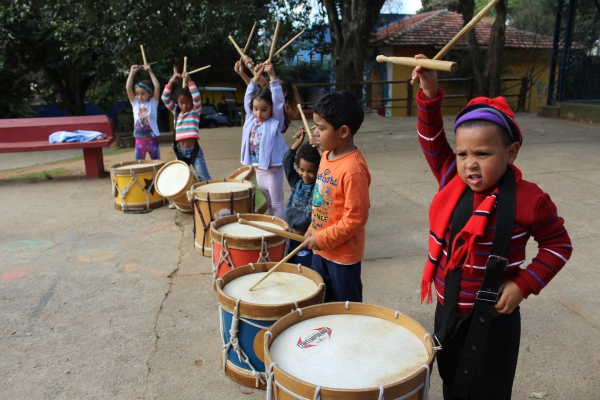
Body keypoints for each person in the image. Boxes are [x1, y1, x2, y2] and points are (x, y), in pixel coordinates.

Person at [412, 55, 572, 400]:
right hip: (449, 314)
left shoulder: (531, 201)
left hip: (495, 322)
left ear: (511, 152)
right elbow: (431, 139)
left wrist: (523, 284)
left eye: (482, 154)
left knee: (489, 392)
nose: (470, 164)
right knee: (453, 384)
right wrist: (429, 92)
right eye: (462, 153)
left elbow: (559, 246)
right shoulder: (450, 181)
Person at [302, 91, 371, 303]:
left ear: (343, 132)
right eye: (315, 126)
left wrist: (322, 238)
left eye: (321, 128)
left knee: (346, 310)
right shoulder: (326, 156)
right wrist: (313, 229)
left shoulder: (353, 169)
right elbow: (322, 201)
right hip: (320, 250)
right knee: (323, 303)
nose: (315, 132)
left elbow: (356, 218)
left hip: (342, 257)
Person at [240, 61, 288, 219]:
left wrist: (272, 76)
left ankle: (282, 235)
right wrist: (255, 78)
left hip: (273, 171)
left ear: (271, 109)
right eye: (255, 109)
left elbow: (279, 102)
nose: (259, 113)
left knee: (277, 204)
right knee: (268, 204)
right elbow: (248, 98)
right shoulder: (251, 121)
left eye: (264, 109)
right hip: (258, 170)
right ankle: (274, 232)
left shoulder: (275, 122)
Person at [162, 71, 212, 184]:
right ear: (177, 102)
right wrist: (171, 81)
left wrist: (189, 80)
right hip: (179, 152)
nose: (184, 105)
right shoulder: (176, 111)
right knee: (178, 179)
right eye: (181, 102)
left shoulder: (195, 110)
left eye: (188, 102)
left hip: (194, 152)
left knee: (204, 178)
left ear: (192, 102)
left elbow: (196, 96)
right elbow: (165, 98)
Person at [283, 128, 321, 267]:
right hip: (291, 236)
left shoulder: (319, 186)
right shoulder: (296, 182)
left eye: (310, 171)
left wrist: (320, 149)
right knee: (287, 267)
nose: (305, 174)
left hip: (307, 239)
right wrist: (297, 143)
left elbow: (326, 167)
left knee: (304, 270)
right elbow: (287, 161)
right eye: (302, 170)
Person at [126, 64, 161, 160]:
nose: (139, 96)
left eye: (143, 93)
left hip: (152, 140)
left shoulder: (153, 103)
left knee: (157, 164)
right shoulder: (135, 103)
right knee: (139, 166)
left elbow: (157, 87)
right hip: (139, 141)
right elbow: (128, 89)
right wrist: (132, 73)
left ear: (150, 93)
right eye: (137, 93)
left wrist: (150, 71)